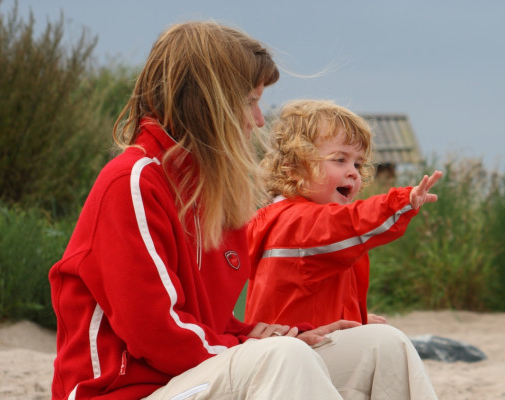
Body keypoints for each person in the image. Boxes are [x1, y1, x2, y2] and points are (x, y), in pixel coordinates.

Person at [48, 22, 437, 399]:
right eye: (250, 101)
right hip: (127, 393)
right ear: (207, 101)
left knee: (381, 345)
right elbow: (157, 333)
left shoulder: (212, 195)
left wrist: (276, 335)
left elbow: (211, 326)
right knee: (281, 358)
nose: (257, 119)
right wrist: (263, 349)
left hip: (194, 376)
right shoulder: (133, 182)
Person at [245, 99, 443, 330]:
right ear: (294, 168)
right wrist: (401, 201)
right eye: (340, 160)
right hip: (297, 349)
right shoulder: (299, 223)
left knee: (379, 335)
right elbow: (353, 223)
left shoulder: (278, 219)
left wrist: (358, 317)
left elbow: (316, 298)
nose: (353, 173)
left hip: (297, 339)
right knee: (388, 342)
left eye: (358, 164)